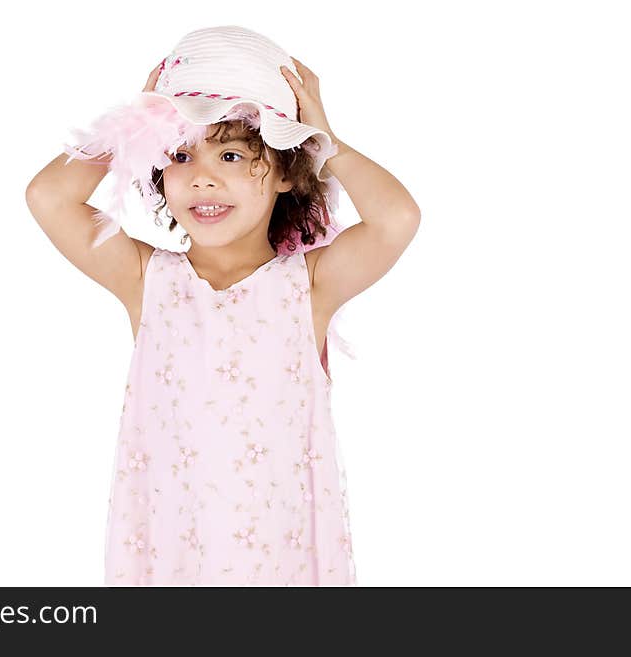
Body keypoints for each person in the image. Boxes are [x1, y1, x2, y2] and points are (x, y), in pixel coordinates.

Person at [25, 26, 420, 586]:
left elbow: (396, 219)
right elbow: (48, 196)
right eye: (181, 154)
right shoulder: (147, 280)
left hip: (279, 565)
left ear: (285, 171)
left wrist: (324, 140)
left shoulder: (309, 285)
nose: (203, 178)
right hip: (169, 564)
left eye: (231, 153)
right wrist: (139, 124)